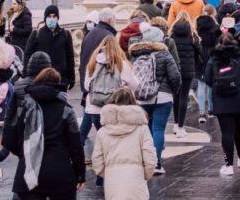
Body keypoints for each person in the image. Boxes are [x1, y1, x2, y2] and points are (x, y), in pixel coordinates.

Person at [3, 68, 85, 200]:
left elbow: (11, 139)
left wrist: (24, 154)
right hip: (60, 171)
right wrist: (80, 174)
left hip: (29, 170)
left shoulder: (26, 107)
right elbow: (76, 145)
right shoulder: (66, 110)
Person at [128, 23, 182, 175]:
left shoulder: (136, 54)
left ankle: (144, 161)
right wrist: (174, 90)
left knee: (145, 130)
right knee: (158, 129)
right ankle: (156, 164)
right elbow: (175, 76)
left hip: (142, 97)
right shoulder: (164, 54)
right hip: (162, 96)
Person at [92, 88, 156, 200]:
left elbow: (97, 161)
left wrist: (108, 172)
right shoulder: (142, 129)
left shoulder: (102, 132)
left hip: (113, 184)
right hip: (136, 182)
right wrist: (144, 175)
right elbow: (150, 158)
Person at [204, 34, 240, 176]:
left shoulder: (213, 58)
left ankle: (228, 165)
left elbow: (208, 79)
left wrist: (218, 87)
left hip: (221, 100)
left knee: (227, 132)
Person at [81, 36, 136, 162]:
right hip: (116, 109)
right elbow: (134, 85)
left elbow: (86, 86)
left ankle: (101, 178)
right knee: (115, 143)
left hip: (95, 109)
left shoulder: (92, 64)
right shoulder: (123, 65)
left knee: (103, 141)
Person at [25, 5, 76, 90]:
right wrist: (26, 75)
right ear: (45, 18)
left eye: (54, 16)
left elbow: (70, 57)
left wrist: (71, 78)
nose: (52, 18)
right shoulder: (37, 34)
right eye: (49, 16)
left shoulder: (65, 34)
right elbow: (28, 54)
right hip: (41, 79)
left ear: (57, 18)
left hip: (60, 79)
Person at [168, 11, 202, 138]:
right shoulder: (192, 34)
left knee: (176, 96)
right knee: (184, 96)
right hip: (188, 69)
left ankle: (176, 124)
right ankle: (181, 127)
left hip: (175, 69)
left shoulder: (171, 34)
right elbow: (199, 50)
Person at [80, 9, 118, 103]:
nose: (115, 21)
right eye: (114, 18)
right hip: (101, 87)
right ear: (110, 20)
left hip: (87, 81)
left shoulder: (89, 35)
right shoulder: (108, 36)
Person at [5, 51, 51, 126]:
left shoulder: (18, 86)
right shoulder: (53, 87)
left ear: (29, 66)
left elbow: (9, 114)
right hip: (47, 127)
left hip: (23, 127)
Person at [195, 7, 221, 123]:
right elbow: (218, 42)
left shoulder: (196, 26)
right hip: (212, 56)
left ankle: (201, 112)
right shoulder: (215, 27)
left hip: (200, 56)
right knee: (211, 84)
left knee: (201, 85)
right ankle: (211, 109)